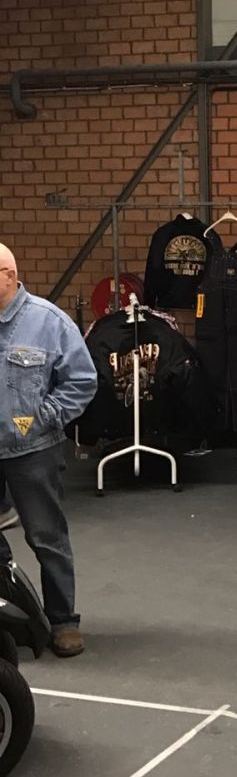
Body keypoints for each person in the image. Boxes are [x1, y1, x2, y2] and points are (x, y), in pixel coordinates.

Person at [0, 243, 98, 657]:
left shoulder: (49, 322)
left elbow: (82, 381)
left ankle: (62, 621)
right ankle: (8, 616)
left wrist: (44, 417)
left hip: (33, 451)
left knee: (46, 537)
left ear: (8, 275)